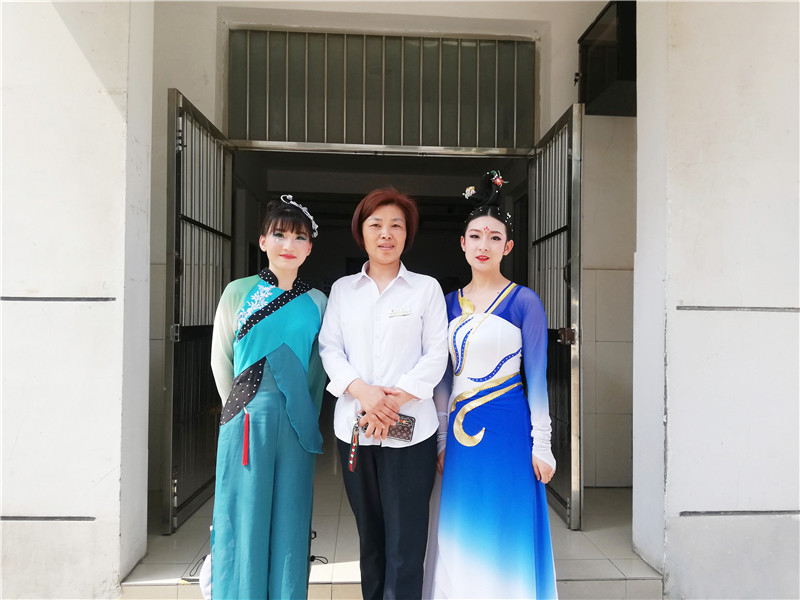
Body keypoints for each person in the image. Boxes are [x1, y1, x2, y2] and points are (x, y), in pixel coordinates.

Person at [430, 171, 558, 599]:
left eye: (494, 237)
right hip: (460, 439)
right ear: (462, 243)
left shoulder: (525, 302)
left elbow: (536, 377)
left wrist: (543, 443)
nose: (483, 244)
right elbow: (442, 379)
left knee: (508, 521)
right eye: (475, 236)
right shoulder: (446, 304)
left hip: (511, 432)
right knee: (463, 523)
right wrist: (442, 439)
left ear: (508, 247)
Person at [318, 188, 449, 600]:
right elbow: (329, 348)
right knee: (370, 538)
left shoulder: (425, 289)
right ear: (362, 232)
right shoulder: (344, 290)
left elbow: (437, 354)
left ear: (408, 234)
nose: (386, 234)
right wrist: (364, 393)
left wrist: (391, 402)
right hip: (355, 429)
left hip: (411, 433)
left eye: (396, 225)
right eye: (376, 225)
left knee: (406, 543)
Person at [208, 195, 327, 599]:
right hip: (244, 418)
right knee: (244, 516)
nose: (288, 245)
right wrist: (238, 408)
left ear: (309, 248)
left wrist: (306, 416)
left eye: (299, 237)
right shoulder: (238, 292)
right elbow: (221, 358)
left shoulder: (319, 302)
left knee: (291, 517)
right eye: (279, 235)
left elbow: (318, 369)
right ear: (262, 242)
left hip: (297, 424)